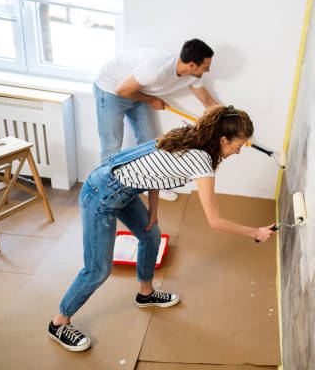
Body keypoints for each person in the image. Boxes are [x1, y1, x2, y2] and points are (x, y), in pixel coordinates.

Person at [47, 105, 275, 352]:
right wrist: (255, 232)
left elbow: (155, 171)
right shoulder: (201, 161)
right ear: (222, 139)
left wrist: (153, 210)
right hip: (101, 193)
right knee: (98, 270)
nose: (238, 152)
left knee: (151, 236)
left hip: (122, 191)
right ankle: (59, 323)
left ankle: (145, 294)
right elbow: (215, 221)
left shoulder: (191, 136)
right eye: (238, 145)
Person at [93, 38, 218, 201]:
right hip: (110, 91)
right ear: (192, 65)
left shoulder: (193, 76)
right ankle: (106, 194)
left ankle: (150, 186)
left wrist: (229, 121)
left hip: (138, 92)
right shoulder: (156, 68)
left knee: (150, 142)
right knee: (112, 145)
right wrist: (151, 100)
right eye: (206, 67)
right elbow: (121, 90)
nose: (208, 70)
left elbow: (209, 103)